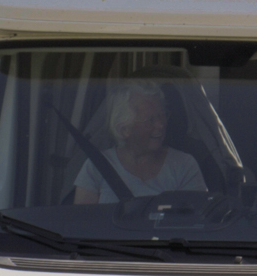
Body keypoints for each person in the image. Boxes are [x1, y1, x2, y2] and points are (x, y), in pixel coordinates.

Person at [71, 80, 207, 203]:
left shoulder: (184, 166)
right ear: (124, 129)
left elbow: (194, 223)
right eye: (150, 120)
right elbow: (83, 224)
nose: (160, 125)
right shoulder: (95, 167)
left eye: (162, 116)